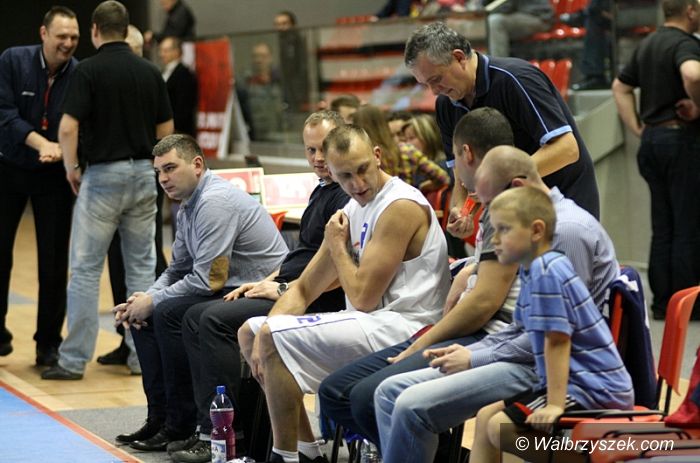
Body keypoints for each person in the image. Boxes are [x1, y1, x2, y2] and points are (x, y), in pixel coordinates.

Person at [371, 145, 620, 463]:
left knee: (411, 405)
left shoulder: (565, 234)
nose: (488, 229)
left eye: (491, 209)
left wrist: (475, 357)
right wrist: (473, 352)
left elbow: (554, 339)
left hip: (559, 371)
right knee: (390, 393)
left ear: (517, 189)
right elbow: (523, 326)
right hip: (535, 357)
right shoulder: (535, 242)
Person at [238, 125, 450, 463]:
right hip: (371, 324)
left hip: (408, 327)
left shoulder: (400, 206)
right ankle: (306, 451)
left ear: (377, 156)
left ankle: (283, 457)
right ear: (332, 174)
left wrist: (337, 246)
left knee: (273, 336)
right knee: (251, 331)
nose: (357, 183)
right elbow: (303, 288)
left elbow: (364, 297)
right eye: (346, 176)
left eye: (362, 169)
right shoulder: (350, 210)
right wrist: (266, 333)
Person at [318, 107, 518, 448]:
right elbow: (490, 280)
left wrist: (423, 341)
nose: (453, 171)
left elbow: (485, 304)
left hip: (491, 339)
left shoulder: (511, 211)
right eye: (346, 175)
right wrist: (469, 270)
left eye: (453, 158)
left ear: (465, 154)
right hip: (474, 330)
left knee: (371, 397)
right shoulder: (496, 208)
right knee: (334, 392)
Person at [168, 111, 350, 463]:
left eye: (323, 149)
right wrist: (265, 281)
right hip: (290, 288)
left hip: (314, 300)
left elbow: (338, 270)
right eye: (310, 150)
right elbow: (300, 255)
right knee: (192, 316)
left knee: (213, 320)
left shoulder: (346, 196)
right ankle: (205, 427)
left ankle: (229, 434)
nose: (317, 158)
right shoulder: (321, 190)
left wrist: (282, 290)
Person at [113, 134, 288, 451]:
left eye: (170, 168)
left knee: (172, 313)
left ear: (196, 164)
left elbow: (209, 280)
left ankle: (198, 426)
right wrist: (145, 299)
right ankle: (164, 420)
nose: (163, 179)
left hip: (261, 290)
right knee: (144, 317)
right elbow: (177, 269)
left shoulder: (213, 202)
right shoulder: (187, 206)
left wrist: (154, 301)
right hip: (230, 287)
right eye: (158, 172)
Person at [42, 0, 174, 381]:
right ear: (127, 27)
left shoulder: (88, 71)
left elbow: (67, 128)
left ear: (95, 30)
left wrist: (71, 168)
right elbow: (167, 131)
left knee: (85, 268)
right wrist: (155, 170)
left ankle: (73, 360)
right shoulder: (150, 71)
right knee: (142, 269)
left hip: (102, 176)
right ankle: (140, 357)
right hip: (143, 175)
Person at [470, 186, 632, 463]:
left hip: (593, 387)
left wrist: (555, 404)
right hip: (577, 382)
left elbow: (557, 340)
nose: (493, 239)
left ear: (536, 231)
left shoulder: (547, 271)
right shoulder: (532, 267)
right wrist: (471, 354)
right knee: (487, 417)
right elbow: (518, 329)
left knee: (500, 427)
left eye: (503, 230)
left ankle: (596, 460)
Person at [404, 21, 600, 220]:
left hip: (563, 202)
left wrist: (500, 178)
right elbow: (459, 174)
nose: (434, 91)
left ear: (459, 57)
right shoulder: (445, 104)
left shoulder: (517, 78)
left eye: (436, 79)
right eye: (426, 84)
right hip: (512, 208)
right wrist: (463, 210)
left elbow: (567, 149)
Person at [0, 6, 79, 366]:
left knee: (54, 262)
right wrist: (41, 143)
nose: (68, 43)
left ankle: (48, 344)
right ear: (44, 33)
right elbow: (5, 114)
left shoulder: (79, 74)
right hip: (9, 167)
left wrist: (62, 153)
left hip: (53, 177)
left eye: (74, 37)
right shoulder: (12, 60)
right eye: (61, 36)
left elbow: (79, 125)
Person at [612, 0, 700, 320]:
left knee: (662, 226)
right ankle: (689, 306)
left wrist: (637, 127)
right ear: (689, 11)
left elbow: (619, 87)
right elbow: (693, 75)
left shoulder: (647, 43)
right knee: (687, 225)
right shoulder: (685, 44)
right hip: (680, 140)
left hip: (651, 140)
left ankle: (663, 303)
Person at [98, 23, 168, 375]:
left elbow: (165, 131)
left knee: (148, 259)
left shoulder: (149, 78)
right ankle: (126, 337)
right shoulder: (111, 81)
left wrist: (159, 170)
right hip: (120, 181)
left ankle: (153, 337)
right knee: (117, 259)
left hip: (145, 178)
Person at [352, 104, 449, 193]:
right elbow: (443, 178)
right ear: (384, 124)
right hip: (408, 202)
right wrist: (421, 188)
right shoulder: (407, 150)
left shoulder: (359, 159)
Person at [244, 42, 285, 141]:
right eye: (255, 56)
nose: (258, 60)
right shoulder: (245, 85)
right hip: (255, 139)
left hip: (277, 138)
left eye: (263, 56)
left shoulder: (279, 83)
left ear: (270, 58)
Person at [486, 0, 554, 58]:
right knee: (490, 21)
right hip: (523, 14)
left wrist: (484, 10)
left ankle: (499, 65)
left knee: (495, 21)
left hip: (540, 17)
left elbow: (506, 7)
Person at [159, 36, 198, 136]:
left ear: (176, 52)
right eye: (161, 50)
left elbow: (184, 106)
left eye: (165, 51)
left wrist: (172, 127)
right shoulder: (164, 71)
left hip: (179, 131)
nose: (161, 54)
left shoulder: (184, 74)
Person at [274, 11, 309, 113]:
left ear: (293, 25)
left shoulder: (300, 43)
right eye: (277, 24)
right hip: (284, 90)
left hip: (299, 93)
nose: (281, 28)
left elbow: (302, 68)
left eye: (284, 23)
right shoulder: (277, 43)